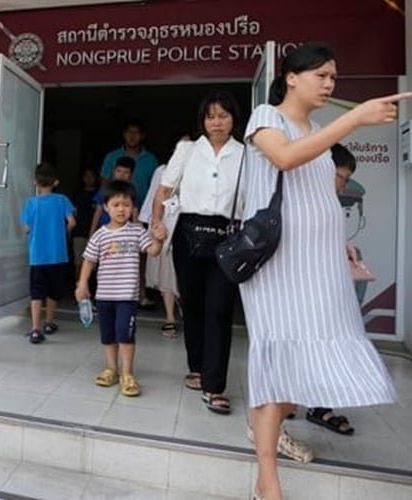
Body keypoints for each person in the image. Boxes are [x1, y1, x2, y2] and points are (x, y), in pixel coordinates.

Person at [238, 42, 403, 500]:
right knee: (278, 359)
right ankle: (267, 479)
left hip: (320, 266)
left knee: (310, 363)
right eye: (321, 75)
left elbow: (318, 200)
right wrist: (355, 118)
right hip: (278, 268)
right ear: (291, 76)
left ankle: (263, 429)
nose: (330, 84)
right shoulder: (266, 118)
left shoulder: (316, 129)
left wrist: (341, 243)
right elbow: (286, 159)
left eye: (334, 77)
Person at [151, 91, 245, 415]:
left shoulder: (246, 155)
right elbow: (164, 189)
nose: (216, 122)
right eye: (210, 116)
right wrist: (157, 223)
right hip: (189, 232)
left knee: (219, 308)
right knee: (191, 303)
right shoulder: (188, 150)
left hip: (227, 235)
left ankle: (214, 385)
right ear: (203, 120)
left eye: (223, 115)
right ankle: (197, 365)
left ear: (234, 118)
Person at [75, 180, 162, 397]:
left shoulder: (136, 231)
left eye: (126, 204)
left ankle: (127, 373)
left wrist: (159, 240)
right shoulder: (100, 235)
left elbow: (152, 251)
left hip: (126, 297)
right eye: (116, 204)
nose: (121, 209)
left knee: (125, 334)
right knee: (108, 335)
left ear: (133, 207)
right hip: (104, 295)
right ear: (106, 207)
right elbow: (88, 260)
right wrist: (82, 283)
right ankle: (111, 369)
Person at [303, 143, 360, 436]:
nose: (343, 183)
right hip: (308, 290)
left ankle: (310, 403)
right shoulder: (307, 200)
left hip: (323, 290)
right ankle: (313, 405)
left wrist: (345, 248)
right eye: (342, 176)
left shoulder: (328, 202)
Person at [99, 119, 159, 308]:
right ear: (124, 134)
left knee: (139, 257)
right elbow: (104, 184)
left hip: (142, 213)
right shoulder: (112, 157)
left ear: (142, 136)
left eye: (136, 132)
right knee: (111, 256)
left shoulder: (151, 159)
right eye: (129, 132)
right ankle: (106, 295)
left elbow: (156, 188)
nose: (132, 136)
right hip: (114, 214)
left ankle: (140, 294)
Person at [20, 162, 76, 344]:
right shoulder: (62, 200)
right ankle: (50, 323)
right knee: (54, 291)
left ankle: (35, 329)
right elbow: (72, 222)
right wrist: (63, 233)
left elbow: (26, 228)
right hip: (58, 255)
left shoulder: (31, 203)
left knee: (37, 292)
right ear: (56, 182)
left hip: (37, 256)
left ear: (35, 182)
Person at [139, 135, 188, 339]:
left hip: (189, 226)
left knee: (187, 274)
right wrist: (151, 224)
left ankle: (188, 314)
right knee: (167, 273)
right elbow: (153, 196)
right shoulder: (162, 170)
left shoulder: (201, 170)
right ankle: (170, 317)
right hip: (166, 225)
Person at [89, 156, 135, 235]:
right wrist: (92, 231)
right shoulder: (105, 189)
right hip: (104, 228)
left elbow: (135, 213)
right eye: (119, 171)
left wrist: (137, 232)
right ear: (114, 171)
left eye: (126, 172)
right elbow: (98, 211)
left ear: (131, 175)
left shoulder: (131, 192)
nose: (122, 175)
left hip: (124, 231)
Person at [70, 168, 99, 280]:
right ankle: (78, 285)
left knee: (94, 263)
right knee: (78, 261)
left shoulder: (100, 194)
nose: (88, 178)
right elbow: (73, 213)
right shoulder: (77, 194)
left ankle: (91, 289)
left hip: (96, 232)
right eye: (86, 175)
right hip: (79, 231)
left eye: (91, 175)